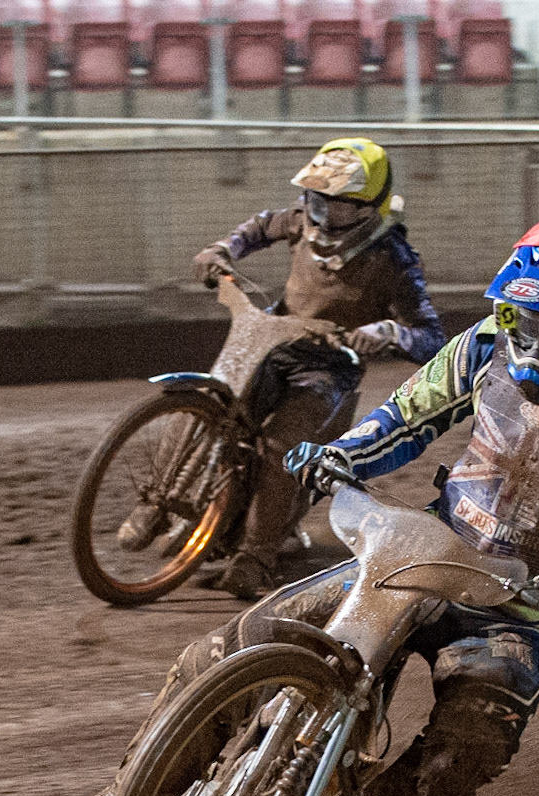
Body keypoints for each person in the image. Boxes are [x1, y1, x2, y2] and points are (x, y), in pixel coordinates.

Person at [54, 214, 539, 796]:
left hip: (520, 605)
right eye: (518, 318)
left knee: (475, 739)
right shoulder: (481, 348)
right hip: (422, 550)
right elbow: (403, 419)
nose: (530, 341)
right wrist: (345, 456)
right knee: (223, 648)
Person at [188, 137, 445, 599]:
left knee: (280, 447)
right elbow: (257, 228)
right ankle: (193, 514)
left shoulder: (395, 257)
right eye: (317, 198)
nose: (325, 214)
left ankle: (257, 557)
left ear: (369, 206)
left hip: (330, 370)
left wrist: (388, 332)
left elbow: (431, 338)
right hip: (276, 344)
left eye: (340, 204)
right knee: (214, 404)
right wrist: (220, 250)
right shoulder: (301, 220)